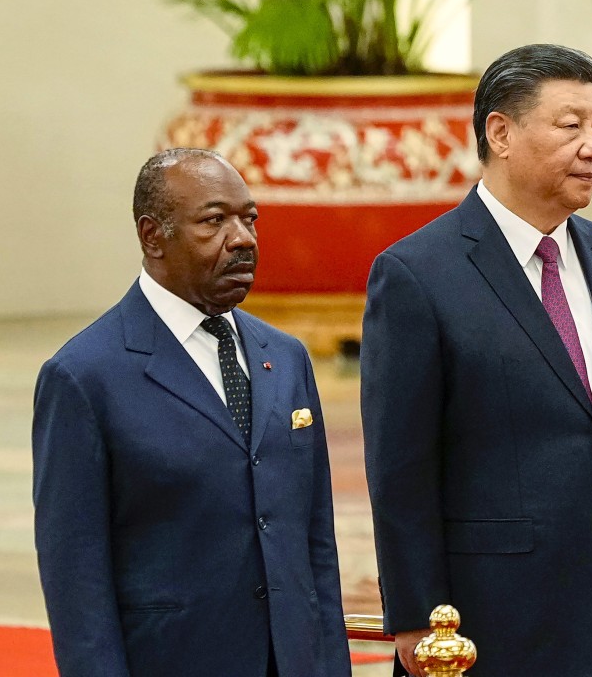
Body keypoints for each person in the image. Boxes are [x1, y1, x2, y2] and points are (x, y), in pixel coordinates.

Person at [361, 44, 592, 677]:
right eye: (570, 126)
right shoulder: (416, 274)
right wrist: (414, 615)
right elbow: (400, 467)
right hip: (493, 619)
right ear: (502, 132)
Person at [32, 148, 352, 677]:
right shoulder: (84, 376)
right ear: (152, 235)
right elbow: (76, 580)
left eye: (249, 219)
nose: (243, 239)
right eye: (214, 221)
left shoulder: (286, 357)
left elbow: (314, 540)